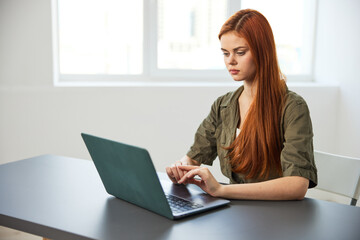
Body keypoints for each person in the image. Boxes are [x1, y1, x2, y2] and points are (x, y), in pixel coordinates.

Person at [165, 9, 317, 200]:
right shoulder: (223, 106)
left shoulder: (293, 108)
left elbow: (297, 185)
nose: (231, 61)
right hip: (236, 212)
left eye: (240, 52)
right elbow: (194, 156)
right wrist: (180, 167)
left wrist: (221, 190)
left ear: (263, 51)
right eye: (225, 53)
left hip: (277, 216)